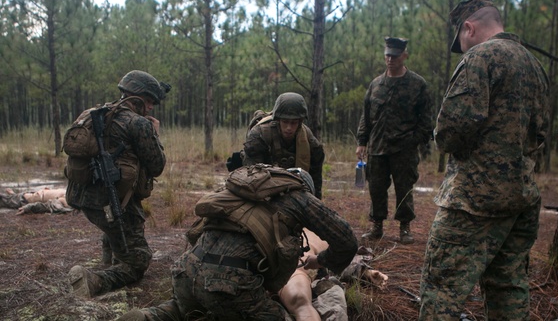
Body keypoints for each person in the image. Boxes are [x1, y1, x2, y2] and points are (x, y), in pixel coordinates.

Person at [418, 0, 549, 320]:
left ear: (469, 27)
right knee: (508, 286)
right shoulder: (534, 65)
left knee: (441, 292)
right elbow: (542, 133)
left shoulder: (481, 57)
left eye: (460, 41)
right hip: (521, 198)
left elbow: (452, 129)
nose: (462, 48)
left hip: (474, 200)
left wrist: (442, 138)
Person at [116, 166, 358, 321]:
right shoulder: (300, 198)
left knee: (185, 309)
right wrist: (320, 261)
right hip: (229, 285)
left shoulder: (241, 192)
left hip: (186, 272)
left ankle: (149, 317)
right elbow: (346, 240)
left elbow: (194, 234)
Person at [66, 70, 169, 298]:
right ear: (139, 97)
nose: (151, 107)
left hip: (84, 198)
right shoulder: (139, 124)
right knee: (138, 261)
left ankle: (110, 261)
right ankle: (94, 281)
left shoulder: (95, 114)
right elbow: (157, 165)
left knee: (113, 224)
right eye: (150, 101)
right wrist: (155, 134)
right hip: (114, 202)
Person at [356, 36, 433, 243]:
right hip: (378, 148)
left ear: (404, 56)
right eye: (387, 55)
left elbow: (426, 120)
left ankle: (405, 228)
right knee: (377, 188)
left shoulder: (418, 85)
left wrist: (414, 141)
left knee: (404, 188)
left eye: (395, 56)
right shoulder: (376, 85)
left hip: (404, 149)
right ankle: (377, 226)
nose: (390, 59)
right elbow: (366, 115)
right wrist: (362, 141)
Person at [243, 92, 325, 199]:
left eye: (293, 123)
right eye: (285, 122)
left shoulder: (309, 141)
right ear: (277, 120)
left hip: (296, 188)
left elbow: (315, 180)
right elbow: (251, 176)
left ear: (300, 122)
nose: (289, 128)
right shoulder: (259, 135)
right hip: (263, 187)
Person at [0, 187, 72, 215]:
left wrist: (29, 207)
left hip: (24, 200)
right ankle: (13, 195)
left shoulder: (68, 201)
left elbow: (47, 206)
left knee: (4, 199)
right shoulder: (71, 192)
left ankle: (13, 195)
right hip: (32, 194)